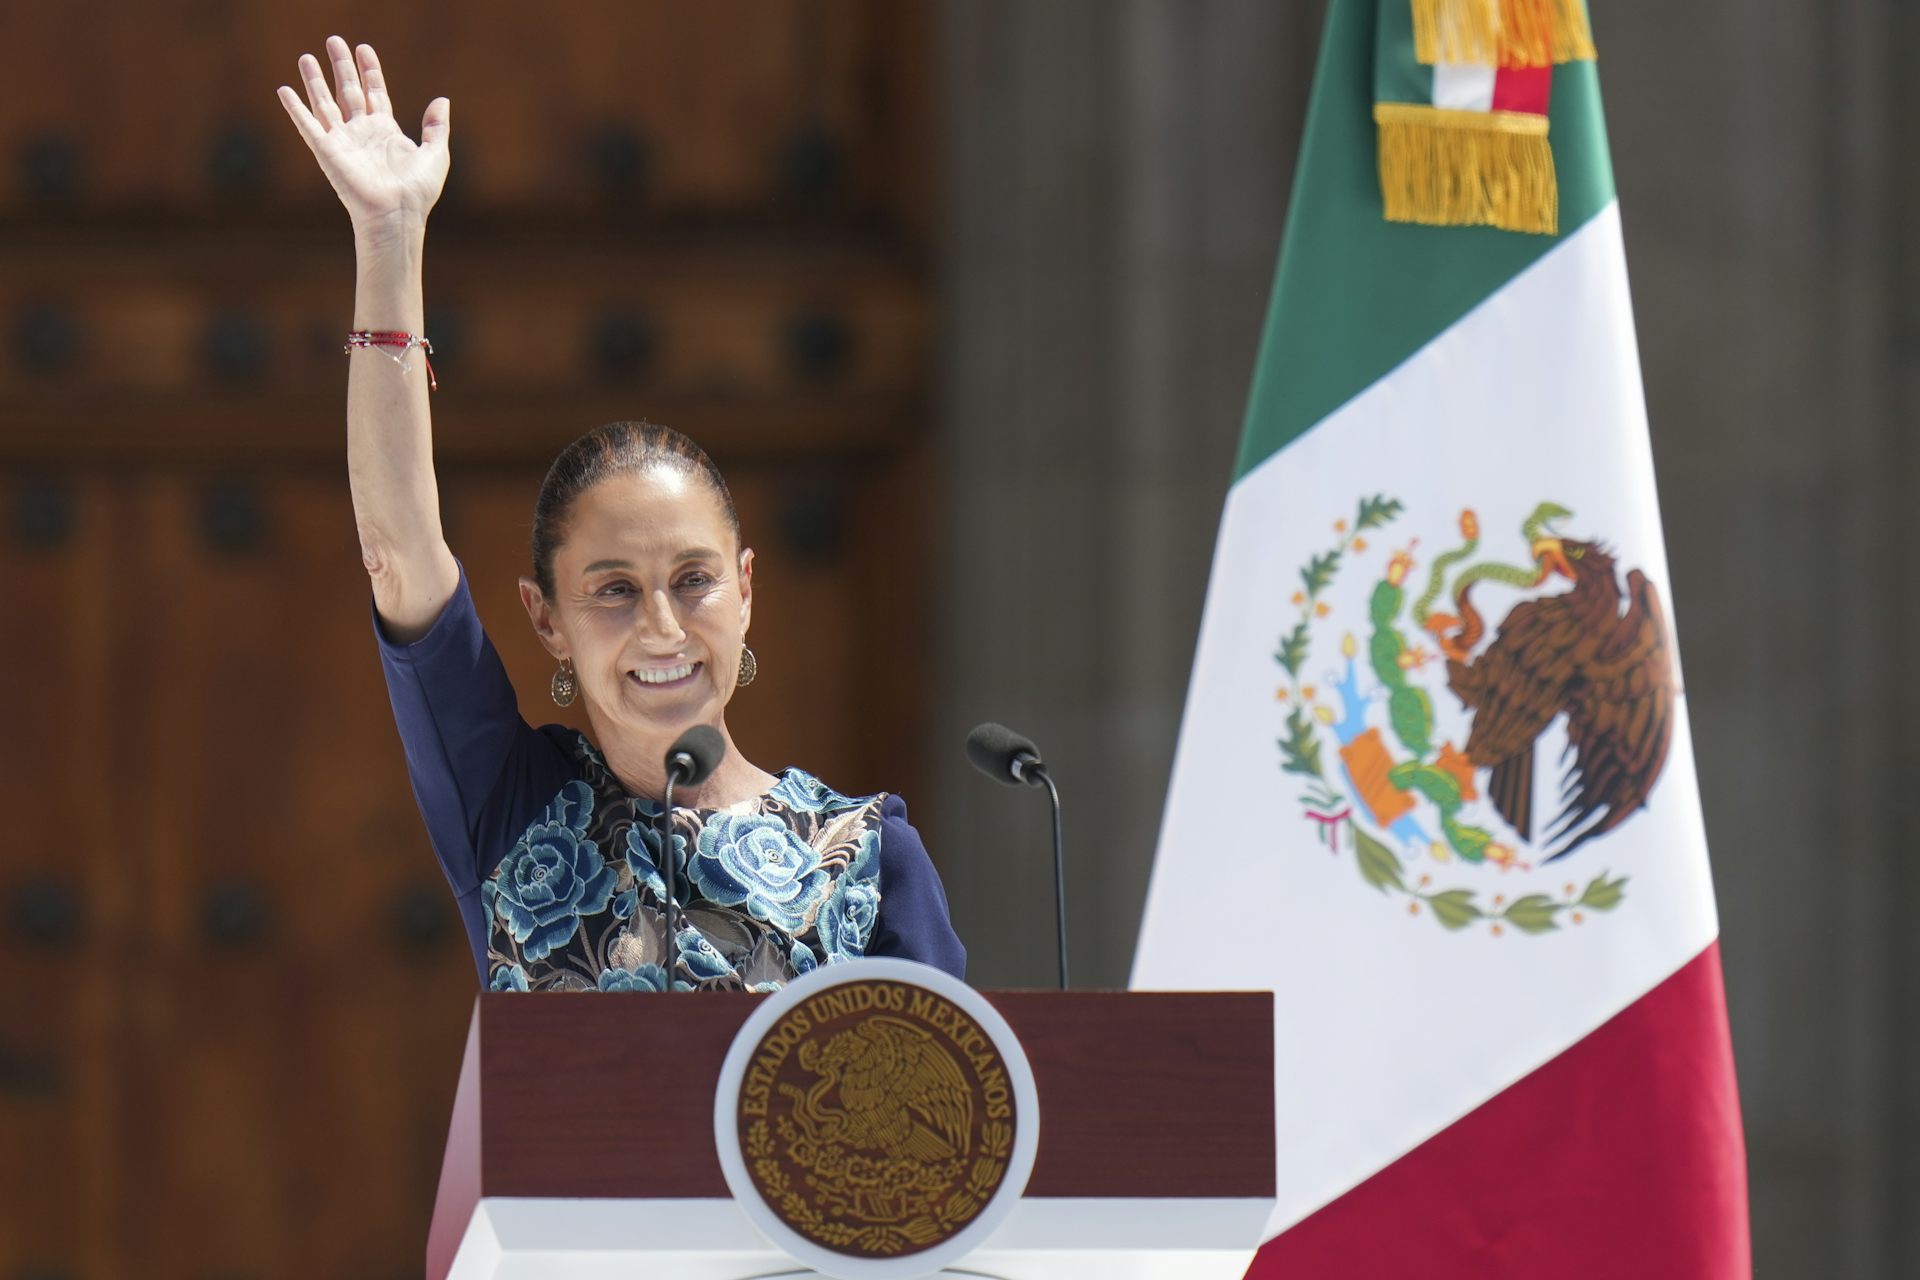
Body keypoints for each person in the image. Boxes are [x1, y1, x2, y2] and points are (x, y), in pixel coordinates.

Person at [276, 36, 964, 993]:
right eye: (614, 590)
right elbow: (398, 551)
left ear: (748, 589)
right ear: (546, 619)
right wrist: (389, 241)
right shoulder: (512, 807)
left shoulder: (870, 858)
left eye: (694, 579)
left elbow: (955, 1119)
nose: (663, 627)